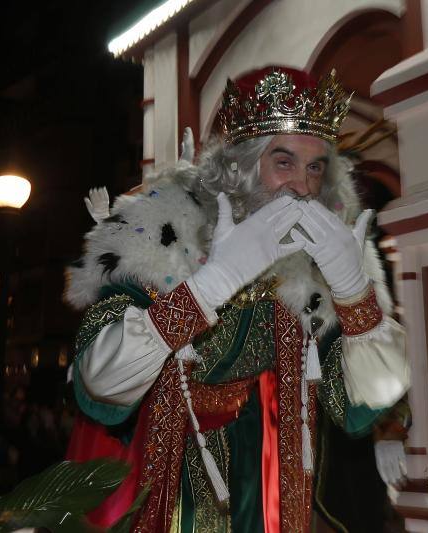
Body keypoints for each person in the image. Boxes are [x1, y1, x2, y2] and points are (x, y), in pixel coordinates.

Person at [64, 68, 410, 532]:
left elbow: (359, 405)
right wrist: (212, 284)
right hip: (167, 497)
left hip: (272, 497)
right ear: (239, 169)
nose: (303, 188)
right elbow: (98, 383)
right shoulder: (161, 240)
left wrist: (354, 294)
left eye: (314, 168)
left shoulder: (315, 275)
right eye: (283, 162)